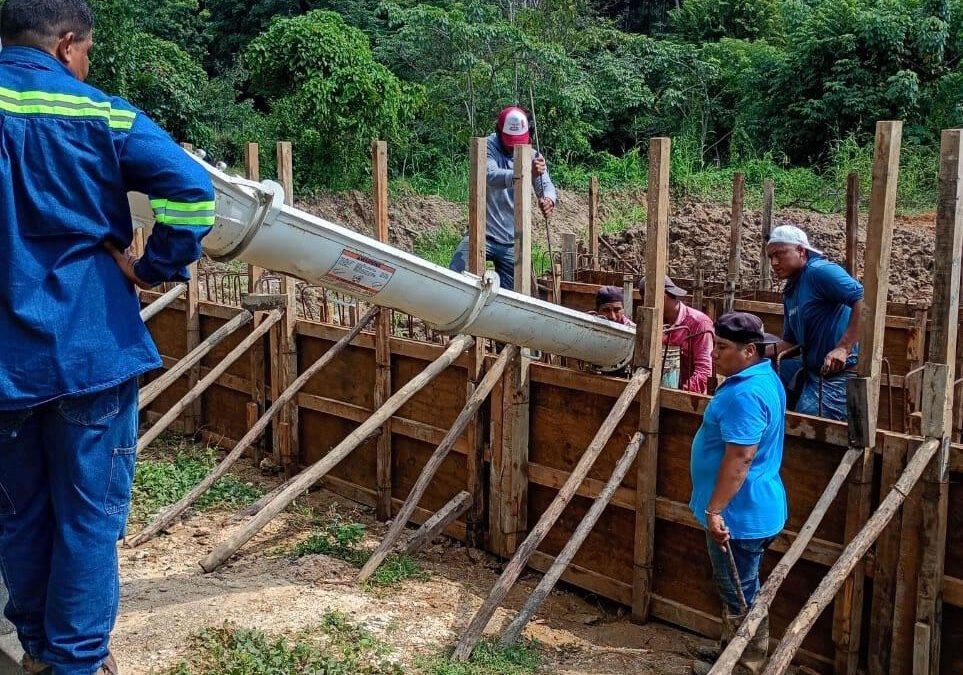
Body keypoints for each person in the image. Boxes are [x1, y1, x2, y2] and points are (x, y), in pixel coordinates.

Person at [0, 1, 215, 673]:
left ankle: (38, 652)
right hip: (91, 349)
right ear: (67, 46)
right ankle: (76, 661)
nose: (86, 63)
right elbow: (192, 193)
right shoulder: (104, 113)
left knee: (20, 517)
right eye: (88, 52)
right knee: (89, 520)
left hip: (7, 366)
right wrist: (154, 266)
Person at [690, 312, 787, 675]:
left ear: (750, 351)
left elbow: (741, 457)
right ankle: (729, 649)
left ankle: (745, 665)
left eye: (724, 347)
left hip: (739, 514)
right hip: (754, 506)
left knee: (741, 593)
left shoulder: (746, 393)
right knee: (737, 586)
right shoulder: (763, 378)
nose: (715, 353)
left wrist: (716, 511)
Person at [449, 106, 557, 290]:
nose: (513, 146)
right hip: (483, 235)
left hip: (512, 241)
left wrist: (548, 200)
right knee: (455, 279)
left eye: (518, 142)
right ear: (499, 132)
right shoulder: (486, 146)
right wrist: (523, 172)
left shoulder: (531, 155)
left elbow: (545, 185)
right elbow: (490, 175)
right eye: (509, 141)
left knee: (514, 296)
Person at [766, 224, 863, 420]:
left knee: (806, 423)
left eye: (780, 254)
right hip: (812, 371)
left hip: (839, 376)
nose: (774, 262)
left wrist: (843, 347)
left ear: (801, 251)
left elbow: (865, 299)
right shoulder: (791, 291)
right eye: (770, 257)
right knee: (764, 380)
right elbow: (791, 342)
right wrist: (754, 352)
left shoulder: (820, 271)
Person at [639, 275, 714, 394]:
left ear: (661, 297)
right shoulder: (651, 322)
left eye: (646, 301)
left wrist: (680, 395)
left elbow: (704, 370)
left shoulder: (698, 323)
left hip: (688, 396)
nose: (645, 306)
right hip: (656, 391)